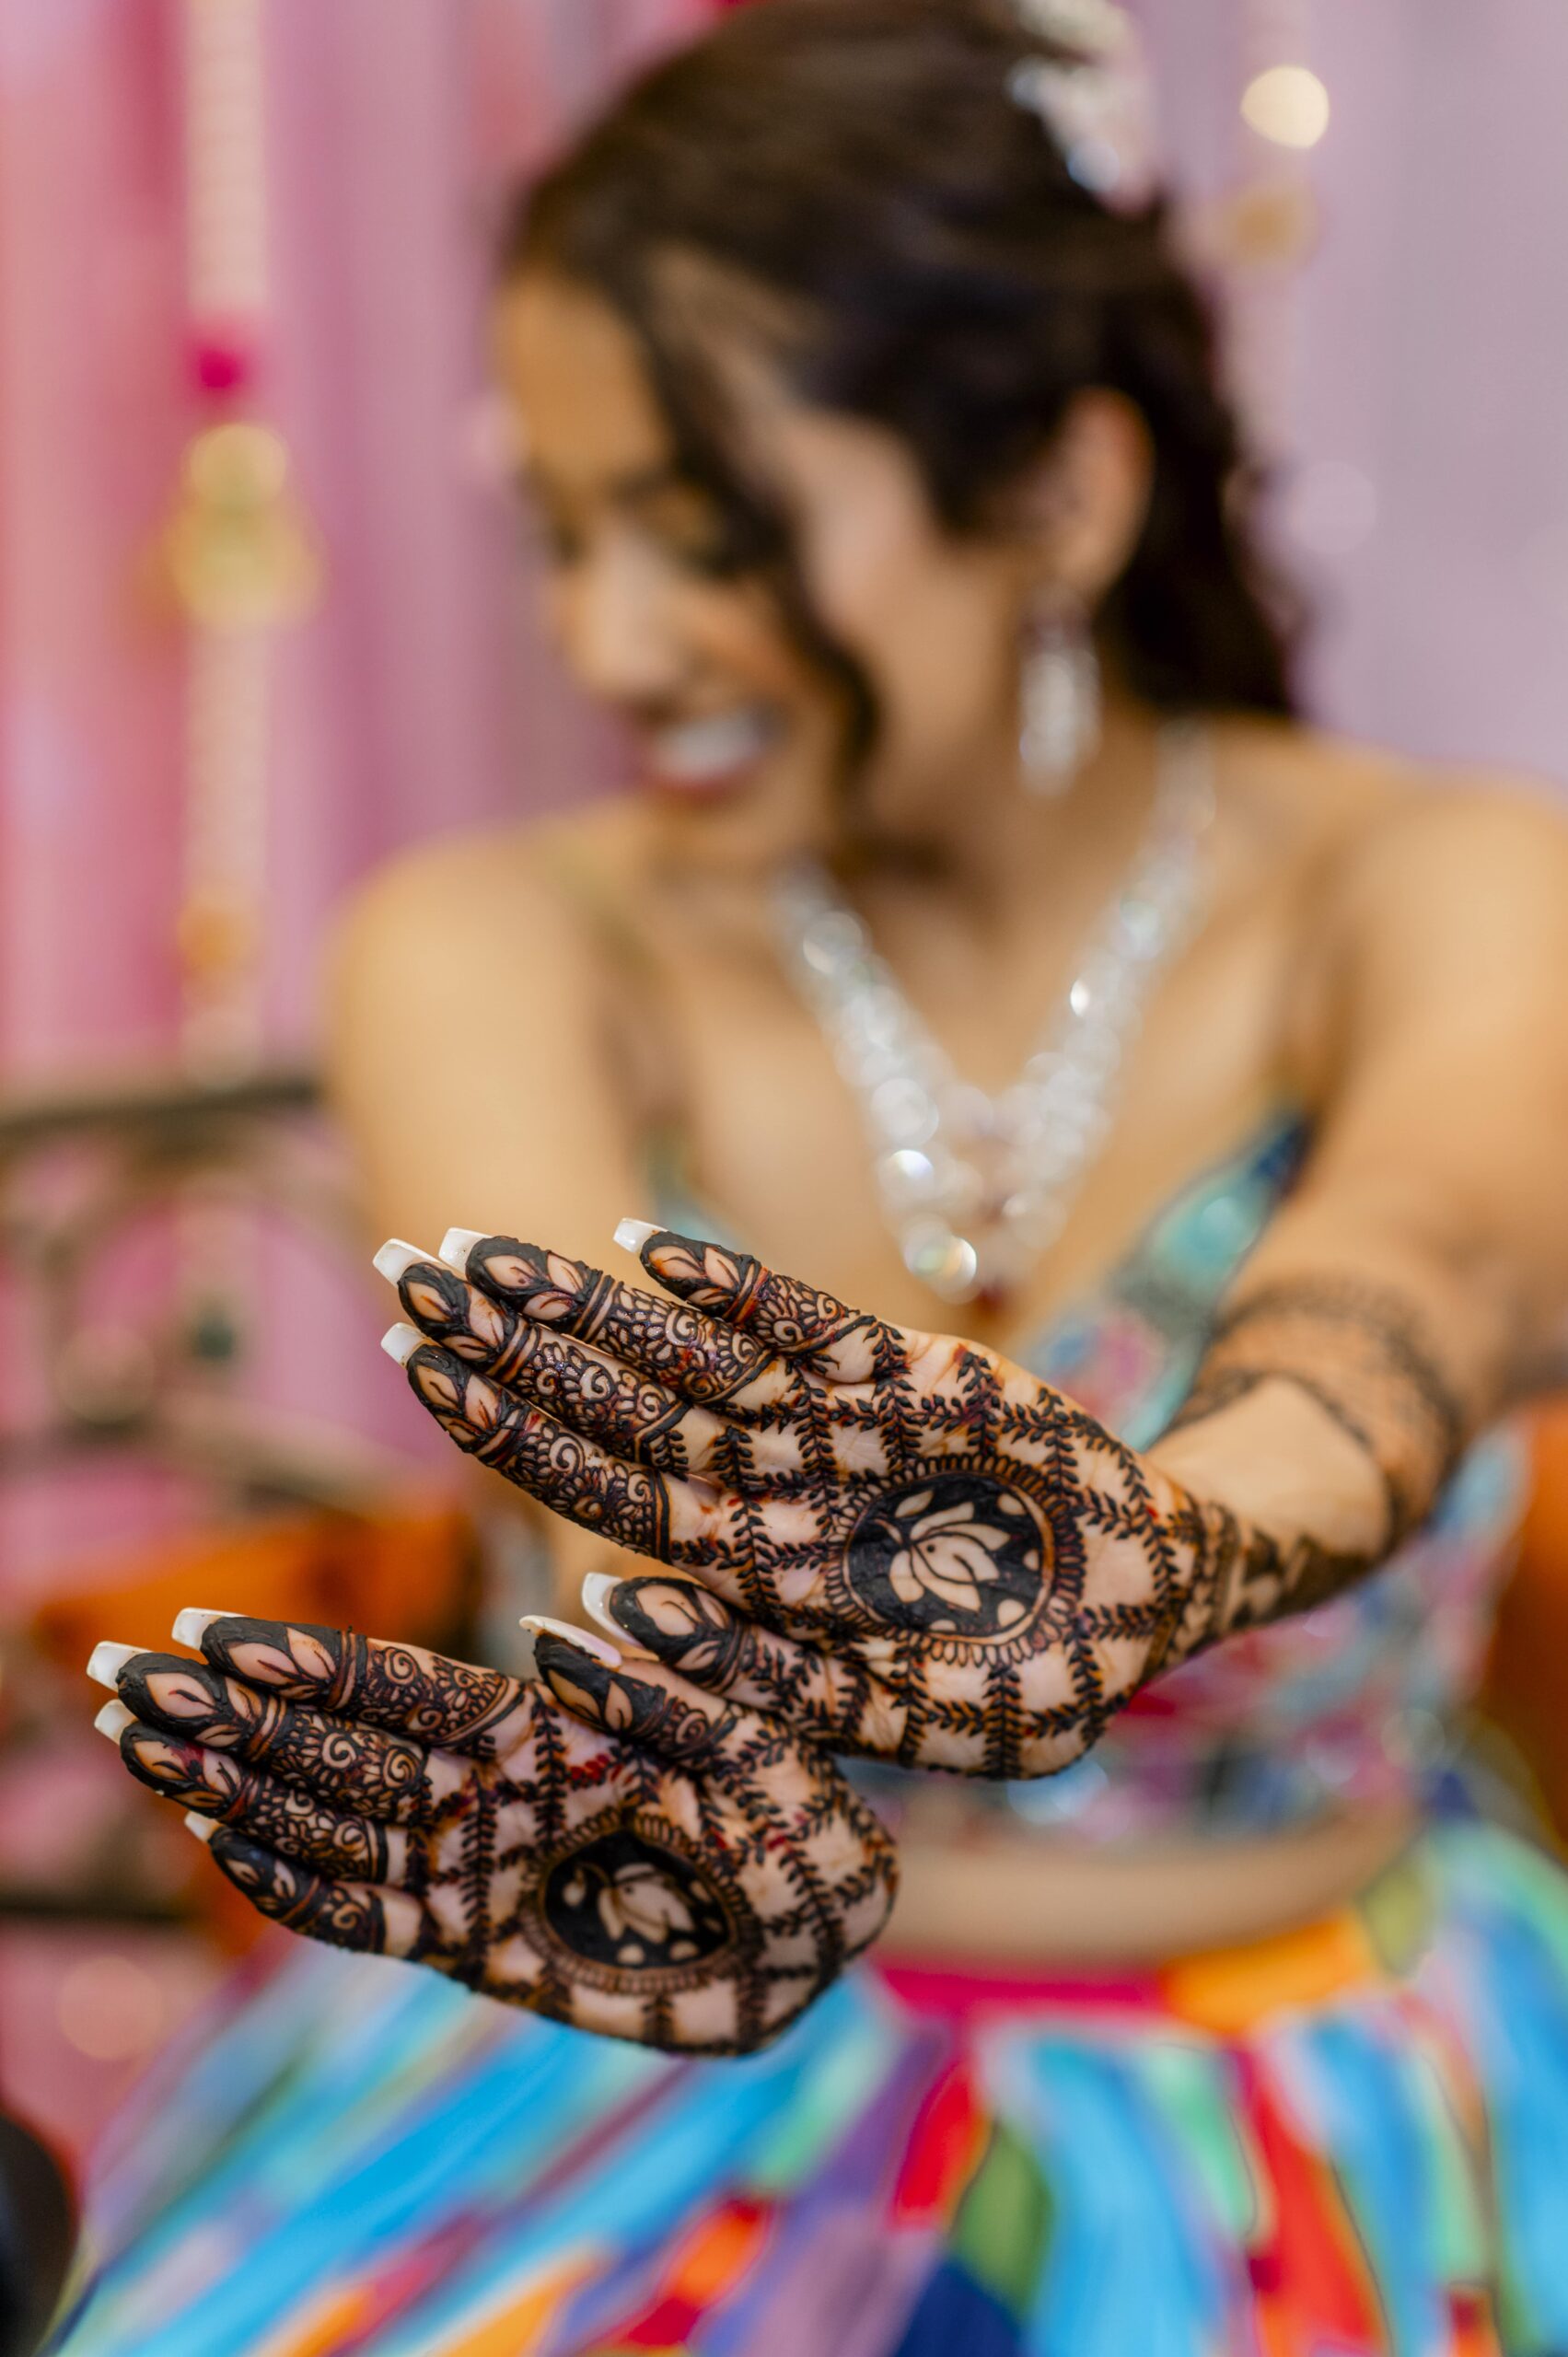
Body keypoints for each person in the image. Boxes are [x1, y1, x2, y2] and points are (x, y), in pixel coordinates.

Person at [61, 1, 1568, 2348]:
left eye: (706, 535)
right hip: (650, 2085)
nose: (608, 639)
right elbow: (606, 1437)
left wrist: (1175, 1546)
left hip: (1343, 2094)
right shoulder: (499, 943)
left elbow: (1436, 1261)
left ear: (1058, 496)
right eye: (565, 533)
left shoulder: (1445, 888)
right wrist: (692, 1690)